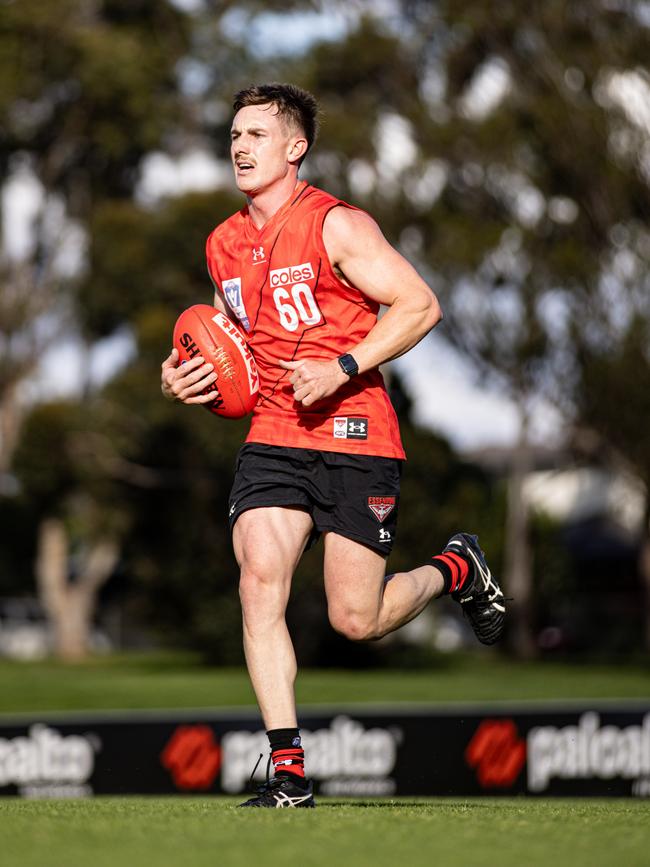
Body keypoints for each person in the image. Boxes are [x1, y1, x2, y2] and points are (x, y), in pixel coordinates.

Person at [161, 83, 506, 808]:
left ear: (296, 148)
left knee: (357, 619)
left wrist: (344, 366)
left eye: (256, 135)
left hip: (356, 434)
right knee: (258, 581)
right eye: (233, 136)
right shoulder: (221, 244)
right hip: (275, 437)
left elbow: (420, 304)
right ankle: (289, 772)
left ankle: (455, 565)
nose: (239, 147)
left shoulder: (336, 225)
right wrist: (186, 375)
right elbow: (241, 362)